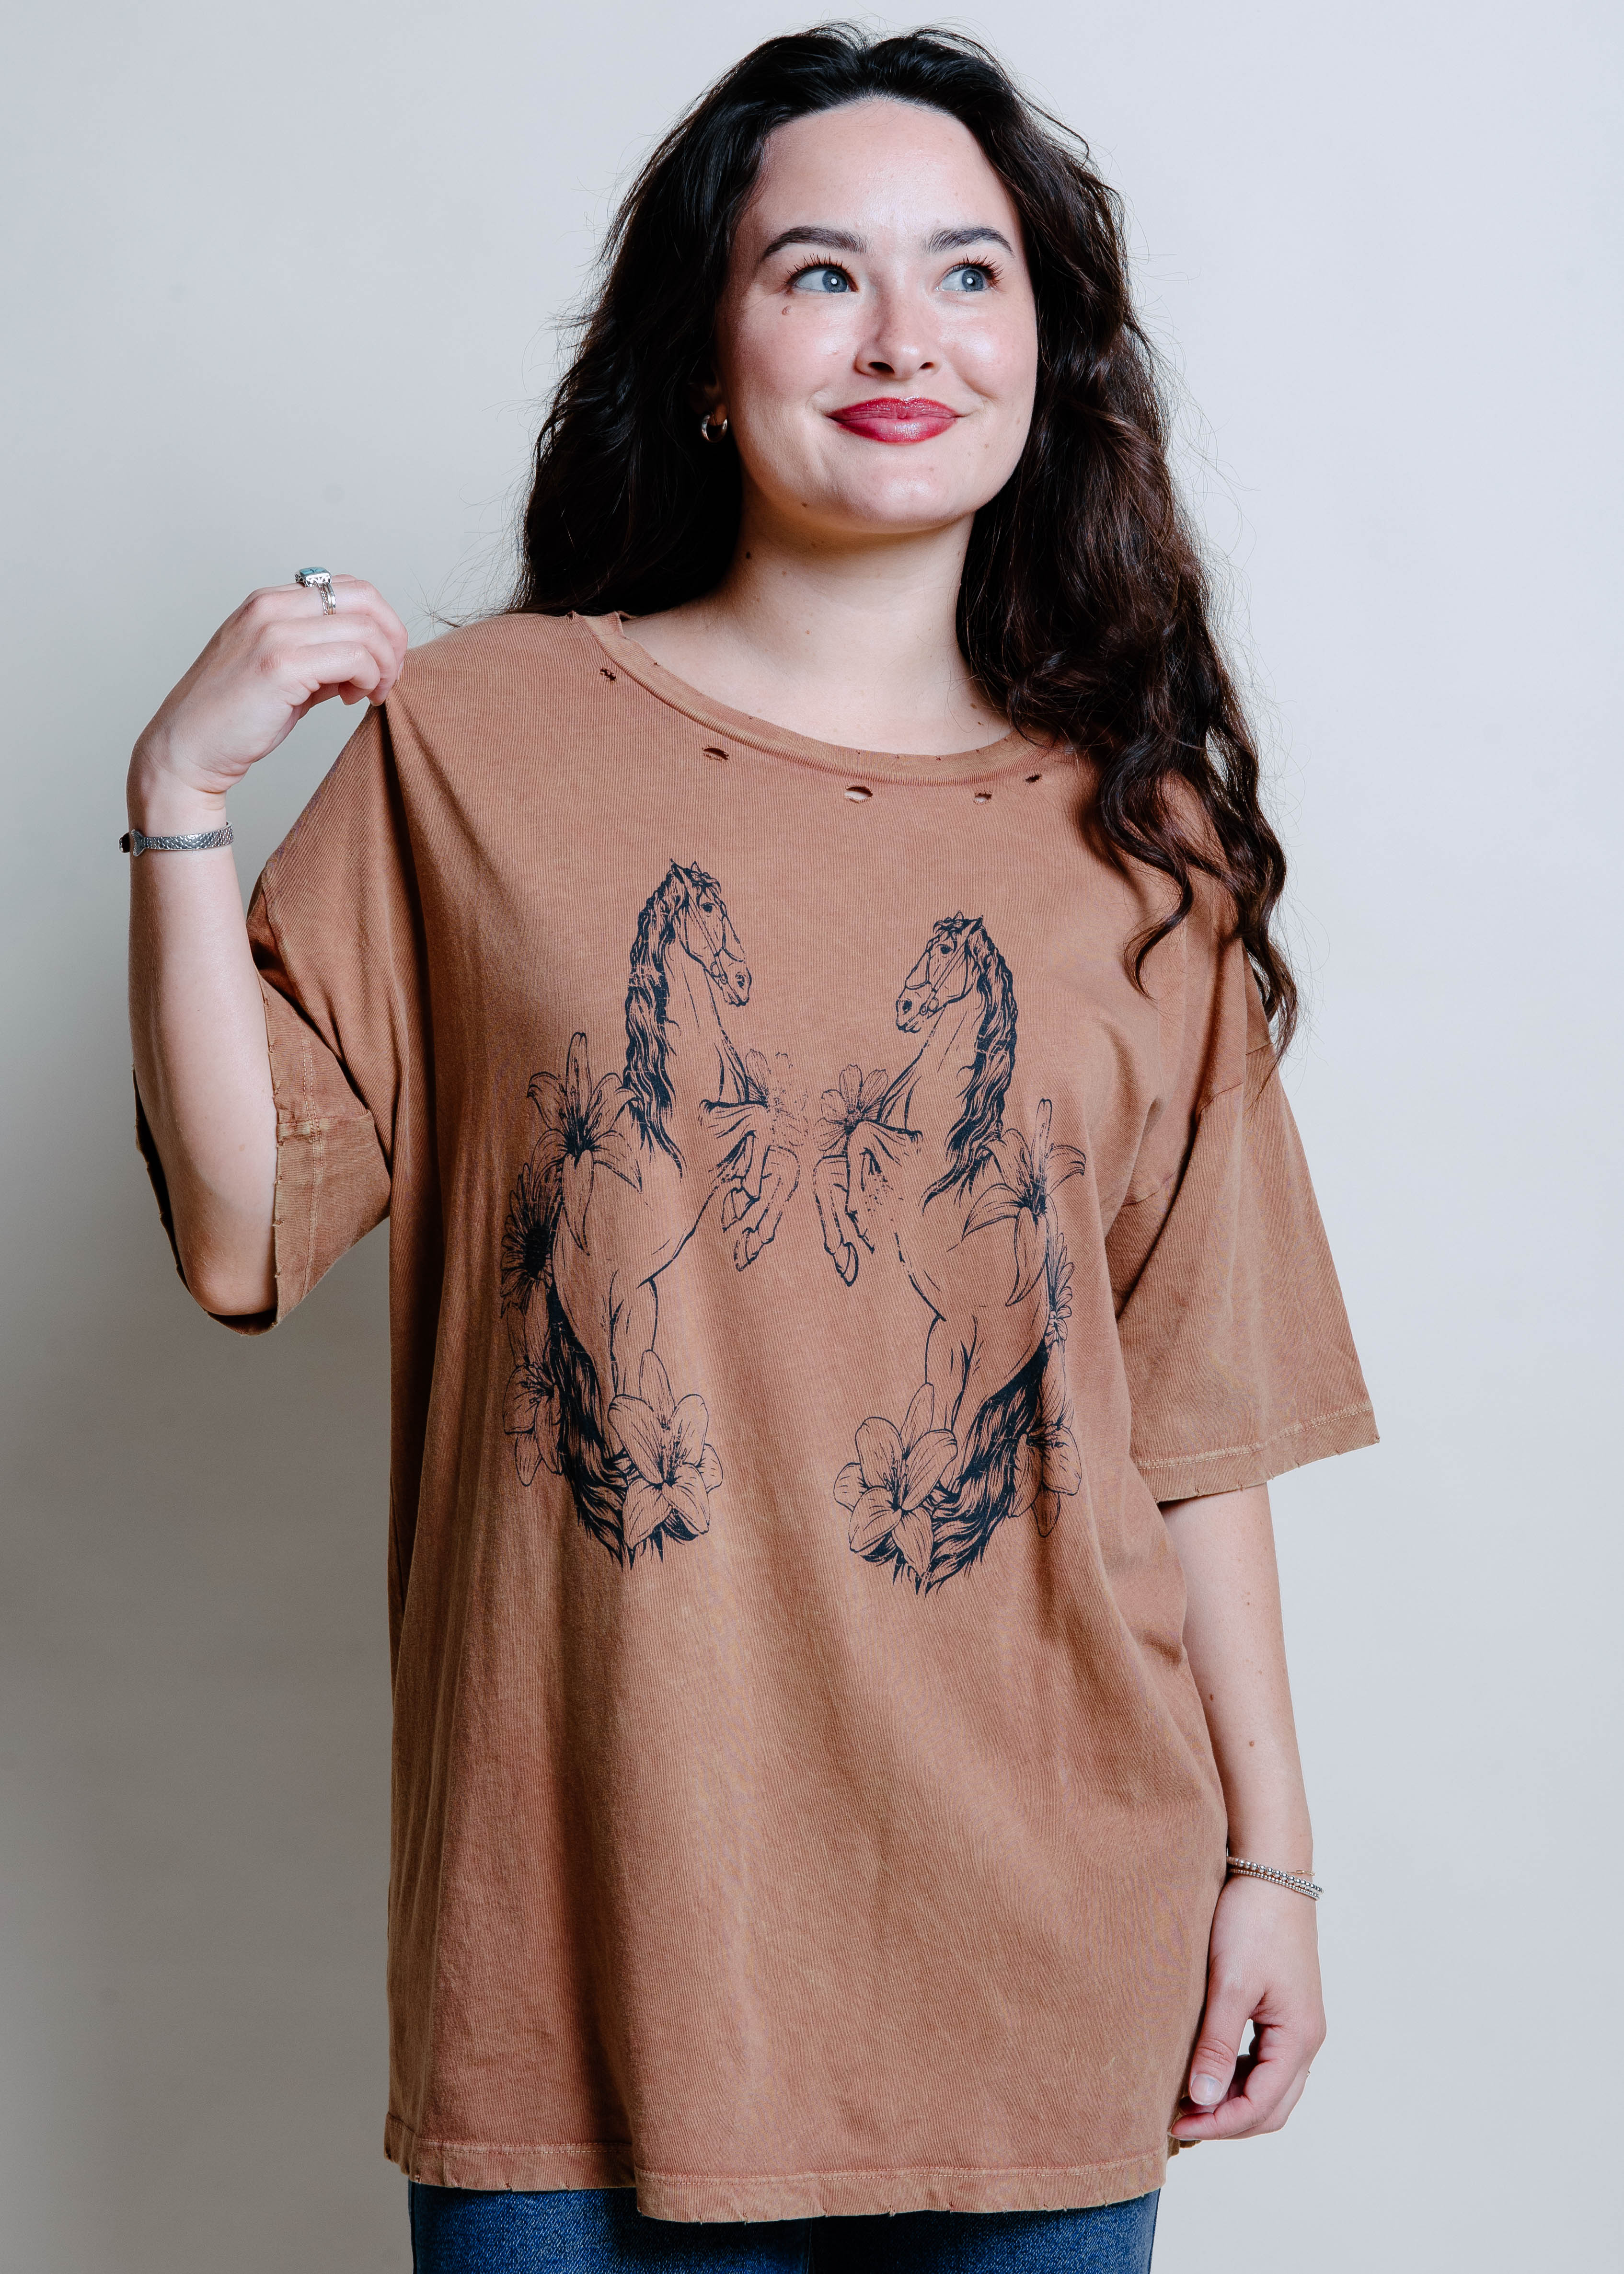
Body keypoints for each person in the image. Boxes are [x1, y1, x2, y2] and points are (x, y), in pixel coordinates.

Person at [125, 26, 1376, 2274]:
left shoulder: (1142, 835)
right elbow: (239, 1225)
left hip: (1040, 1954)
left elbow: (1195, 1426)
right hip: (579, 1948)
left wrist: (1267, 1864)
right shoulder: (480, 742)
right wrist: (181, 807)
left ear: (1045, 358)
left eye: (967, 274)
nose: (902, 336)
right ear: (705, 360)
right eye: (820, 273)